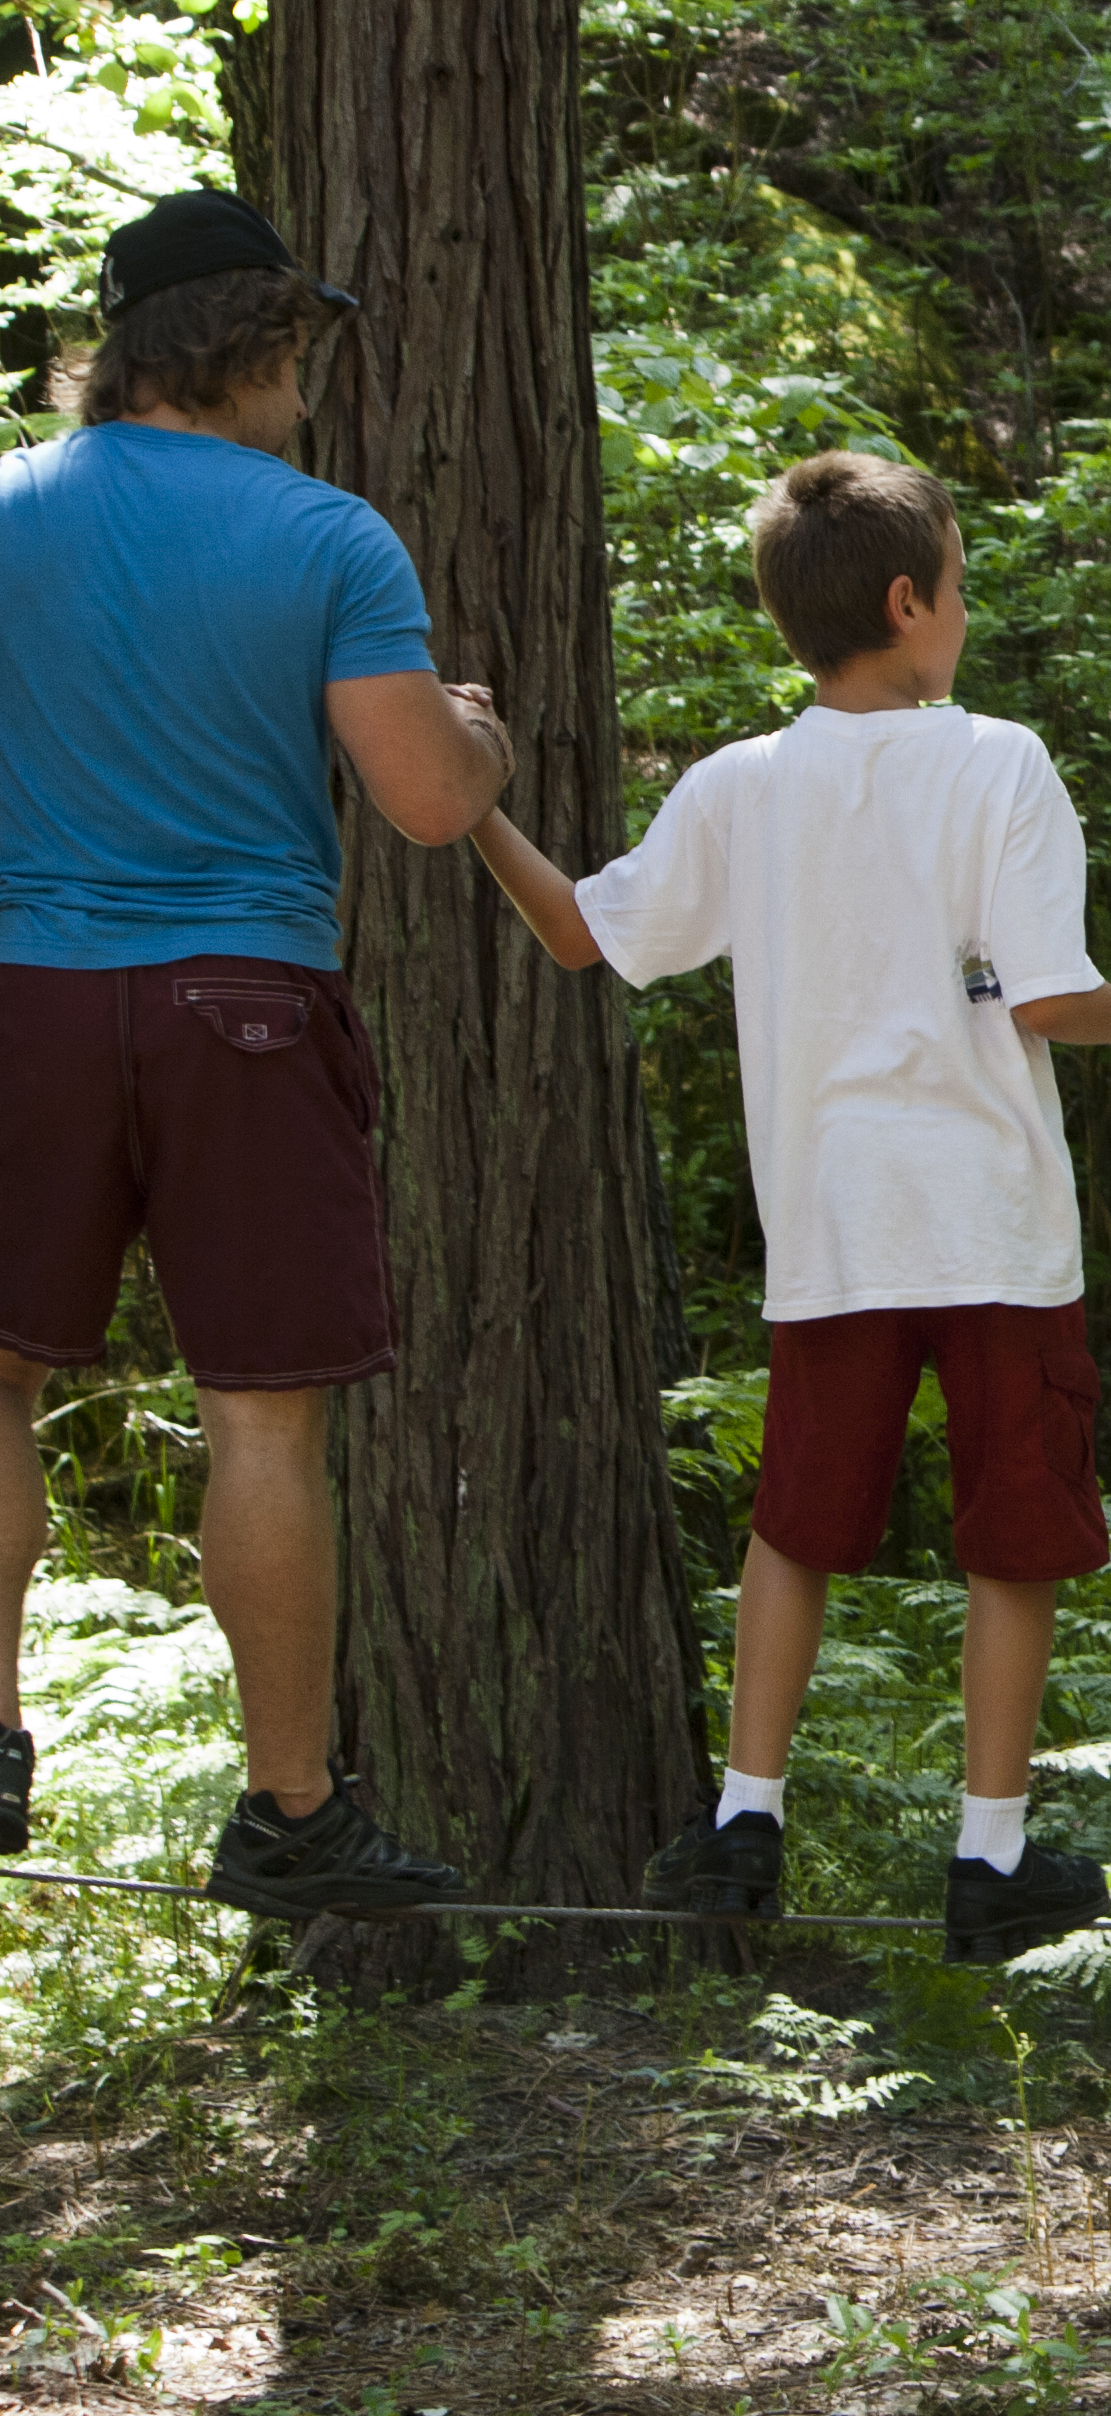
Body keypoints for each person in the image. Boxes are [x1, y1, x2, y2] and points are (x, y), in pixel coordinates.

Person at [465, 451, 1111, 1962]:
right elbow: (1050, 1000)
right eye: (962, 591)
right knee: (1015, 1533)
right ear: (910, 604)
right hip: (991, 1218)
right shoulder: (1002, 762)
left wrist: (473, 811)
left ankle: (742, 1825)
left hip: (835, 1222)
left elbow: (587, 938)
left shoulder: (741, 784)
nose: (965, 619)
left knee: (795, 1524)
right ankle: (990, 1859)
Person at [0, 191, 515, 1920]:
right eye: (300, 354)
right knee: (262, 1426)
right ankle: (290, 1814)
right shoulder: (331, 538)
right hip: (245, 1005)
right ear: (252, 344)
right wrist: (481, 738)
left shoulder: (4, 510)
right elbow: (431, 810)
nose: (309, 391)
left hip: (25, 998)